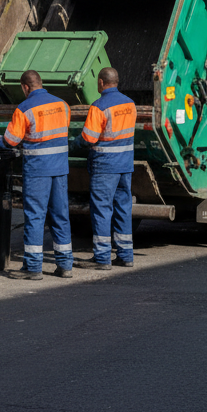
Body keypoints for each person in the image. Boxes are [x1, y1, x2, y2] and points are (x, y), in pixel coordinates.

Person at [3, 70, 73, 280]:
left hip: (37, 171)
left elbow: (11, 140)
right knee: (61, 216)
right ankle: (65, 265)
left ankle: (33, 268)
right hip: (60, 169)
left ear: (25, 87)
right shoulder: (63, 105)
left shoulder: (24, 108)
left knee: (35, 217)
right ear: (40, 83)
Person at [75, 67, 136, 270]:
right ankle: (125, 255)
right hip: (125, 165)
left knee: (102, 210)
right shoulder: (130, 104)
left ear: (101, 82)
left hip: (105, 166)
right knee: (123, 209)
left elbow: (88, 138)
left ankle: (102, 258)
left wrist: (72, 143)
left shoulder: (99, 106)